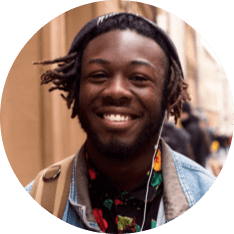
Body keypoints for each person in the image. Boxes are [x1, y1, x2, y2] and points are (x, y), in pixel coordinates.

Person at [25, 12, 216, 233]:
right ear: (75, 89)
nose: (116, 91)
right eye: (98, 75)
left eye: (139, 78)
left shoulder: (207, 196)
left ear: (168, 95)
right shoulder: (39, 200)